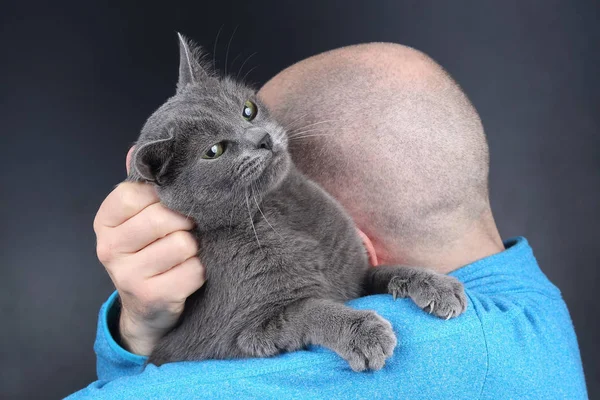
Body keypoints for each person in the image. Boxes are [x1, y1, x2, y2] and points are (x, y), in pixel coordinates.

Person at [69, 43, 587, 399]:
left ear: (352, 238)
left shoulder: (377, 362)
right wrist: (140, 324)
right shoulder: (536, 305)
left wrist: (131, 346)